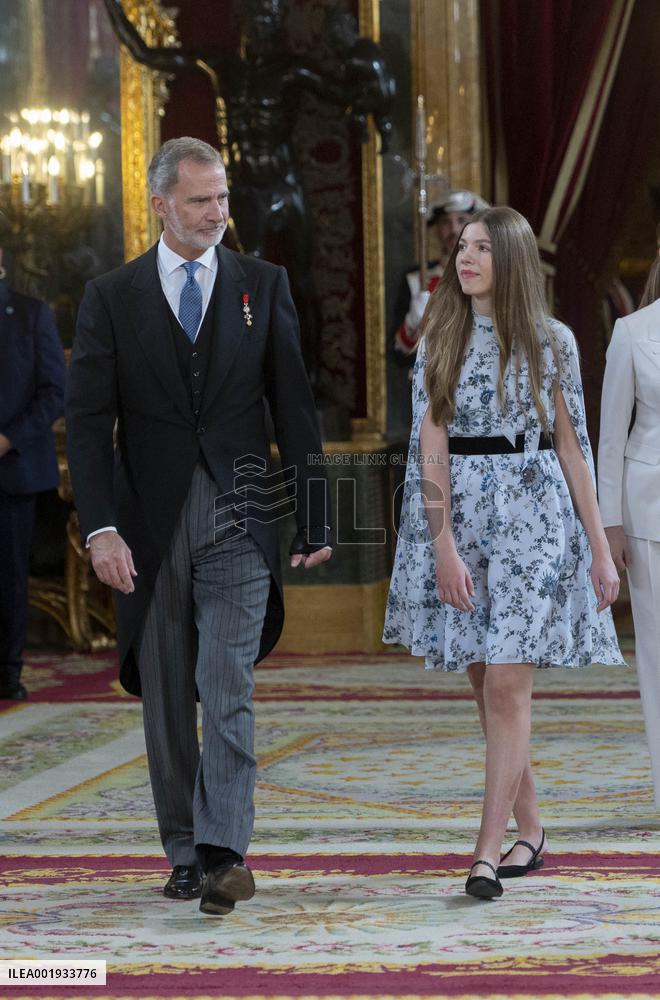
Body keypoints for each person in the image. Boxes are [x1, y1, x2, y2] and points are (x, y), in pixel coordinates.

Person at [65, 137, 332, 915]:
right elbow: (89, 425)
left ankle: (223, 853)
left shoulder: (263, 284)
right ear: (161, 205)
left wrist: (314, 514)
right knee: (167, 696)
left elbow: (294, 407)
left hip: (240, 517)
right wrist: (100, 530)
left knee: (227, 683)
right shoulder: (111, 296)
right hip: (146, 529)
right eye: (199, 200)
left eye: (222, 198)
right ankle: (182, 849)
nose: (217, 213)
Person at [384, 206, 624, 899]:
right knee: (482, 681)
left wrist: (600, 547)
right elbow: (429, 447)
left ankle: (485, 853)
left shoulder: (553, 341)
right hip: (461, 517)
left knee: (507, 684)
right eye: (463, 246)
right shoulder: (441, 336)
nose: (465, 258)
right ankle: (532, 829)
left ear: (511, 259)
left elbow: (573, 447)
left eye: (481, 248)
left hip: (533, 520)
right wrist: (442, 547)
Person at [598, 251, 660, 808]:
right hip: (649, 514)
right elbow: (612, 436)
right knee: (658, 654)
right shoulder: (633, 332)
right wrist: (609, 523)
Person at [0, 256, 66, 700]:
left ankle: (7, 671)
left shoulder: (29, 314)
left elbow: (54, 392)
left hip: (13, 469)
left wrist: (8, 439)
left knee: (8, 576)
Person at [393, 190, 489, 363]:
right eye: (446, 222)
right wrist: (411, 324)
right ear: (436, 230)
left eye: (462, 220)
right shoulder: (415, 280)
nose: (454, 229)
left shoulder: (491, 276)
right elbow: (398, 355)